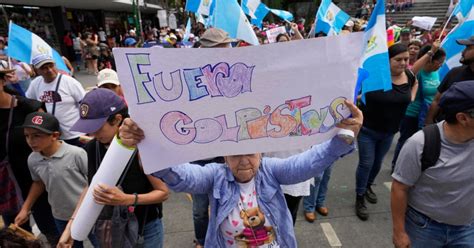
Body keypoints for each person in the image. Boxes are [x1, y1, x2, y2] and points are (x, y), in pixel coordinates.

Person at [119, 99, 362, 246]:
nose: (244, 162)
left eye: (251, 154)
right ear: (225, 157)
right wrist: (145, 143)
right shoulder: (215, 175)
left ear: (262, 153)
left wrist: (344, 137)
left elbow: (308, 163)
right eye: (235, 155)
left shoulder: (272, 171)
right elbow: (181, 177)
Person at [57, 89, 169, 248]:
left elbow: (163, 192)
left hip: (146, 228)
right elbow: (91, 187)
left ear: (117, 119)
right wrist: (71, 227)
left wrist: (127, 199)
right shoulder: (92, 148)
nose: (93, 133)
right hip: (113, 228)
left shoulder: (141, 148)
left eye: (97, 127)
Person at [391, 81, 474, 248]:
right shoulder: (420, 143)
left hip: (466, 228)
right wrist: (399, 232)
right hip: (424, 228)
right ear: (463, 118)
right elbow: (399, 188)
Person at [14, 112, 96, 248]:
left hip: (87, 213)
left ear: (55, 136)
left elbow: (93, 181)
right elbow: (38, 182)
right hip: (60, 215)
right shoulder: (33, 159)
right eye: (27, 136)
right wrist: (25, 208)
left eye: (36, 136)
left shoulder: (77, 154)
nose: (30, 141)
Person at [355, 43, 418, 221]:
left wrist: (412, 96)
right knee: (366, 163)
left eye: (406, 59)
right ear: (388, 60)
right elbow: (358, 92)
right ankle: (359, 197)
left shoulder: (410, 76)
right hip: (367, 130)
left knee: (377, 164)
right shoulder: (376, 76)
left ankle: (368, 186)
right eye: (398, 59)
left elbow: (416, 84)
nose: (404, 63)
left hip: (389, 132)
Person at [0, 61, 59, 246]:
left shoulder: (28, 108)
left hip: (38, 183)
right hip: (7, 187)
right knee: (16, 237)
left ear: (3, 81)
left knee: (53, 231)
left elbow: (52, 141)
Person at [392, 41, 445, 170]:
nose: (441, 65)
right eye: (439, 62)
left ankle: (411, 167)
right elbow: (413, 69)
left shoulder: (435, 72)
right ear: (430, 61)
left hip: (427, 115)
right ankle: (397, 166)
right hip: (411, 114)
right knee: (406, 141)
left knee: (421, 144)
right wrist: (431, 51)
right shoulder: (418, 72)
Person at [26, 54, 85, 146]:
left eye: (51, 66)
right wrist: (38, 110)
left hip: (75, 134)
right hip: (51, 135)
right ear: (37, 70)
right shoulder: (35, 84)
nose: (49, 70)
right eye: (44, 68)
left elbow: (85, 104)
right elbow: (28, 102)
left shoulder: (70, 82)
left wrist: (88, 128)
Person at [425, 35, 474, 124]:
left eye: (468, 48)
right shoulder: (455, 72)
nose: (463, 52)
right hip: (444, 127)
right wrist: (428, 123)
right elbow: (436, 100)